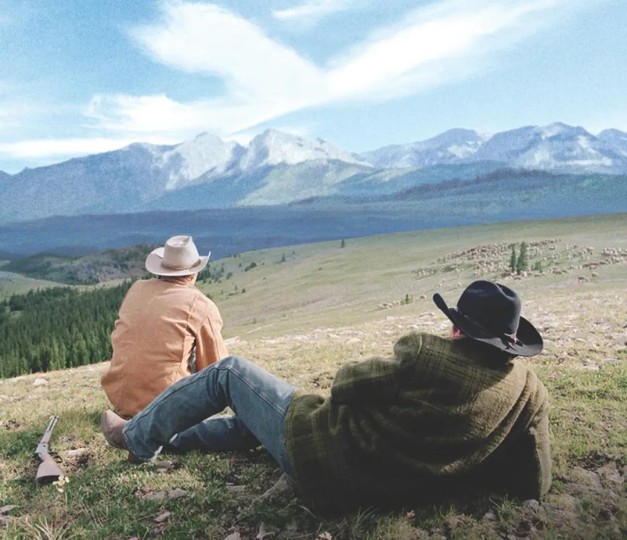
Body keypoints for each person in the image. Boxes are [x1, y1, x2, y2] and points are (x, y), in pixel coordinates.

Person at [101, 280, 551, 511]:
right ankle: (170, 439)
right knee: (253, 421)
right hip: (402, 488)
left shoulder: (424, 354)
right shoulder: (529, 391)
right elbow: (535, 480)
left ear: (458, 328)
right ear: (509, 343)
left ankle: (137, 438)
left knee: (229, 373)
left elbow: (346, 385)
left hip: (326, 459)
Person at [101, 235, 228, 419]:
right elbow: (216, 368)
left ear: (161, 270)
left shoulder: (137, 288)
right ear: (193, 273)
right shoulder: (201, 305)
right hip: (166, 407)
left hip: (121, 401)